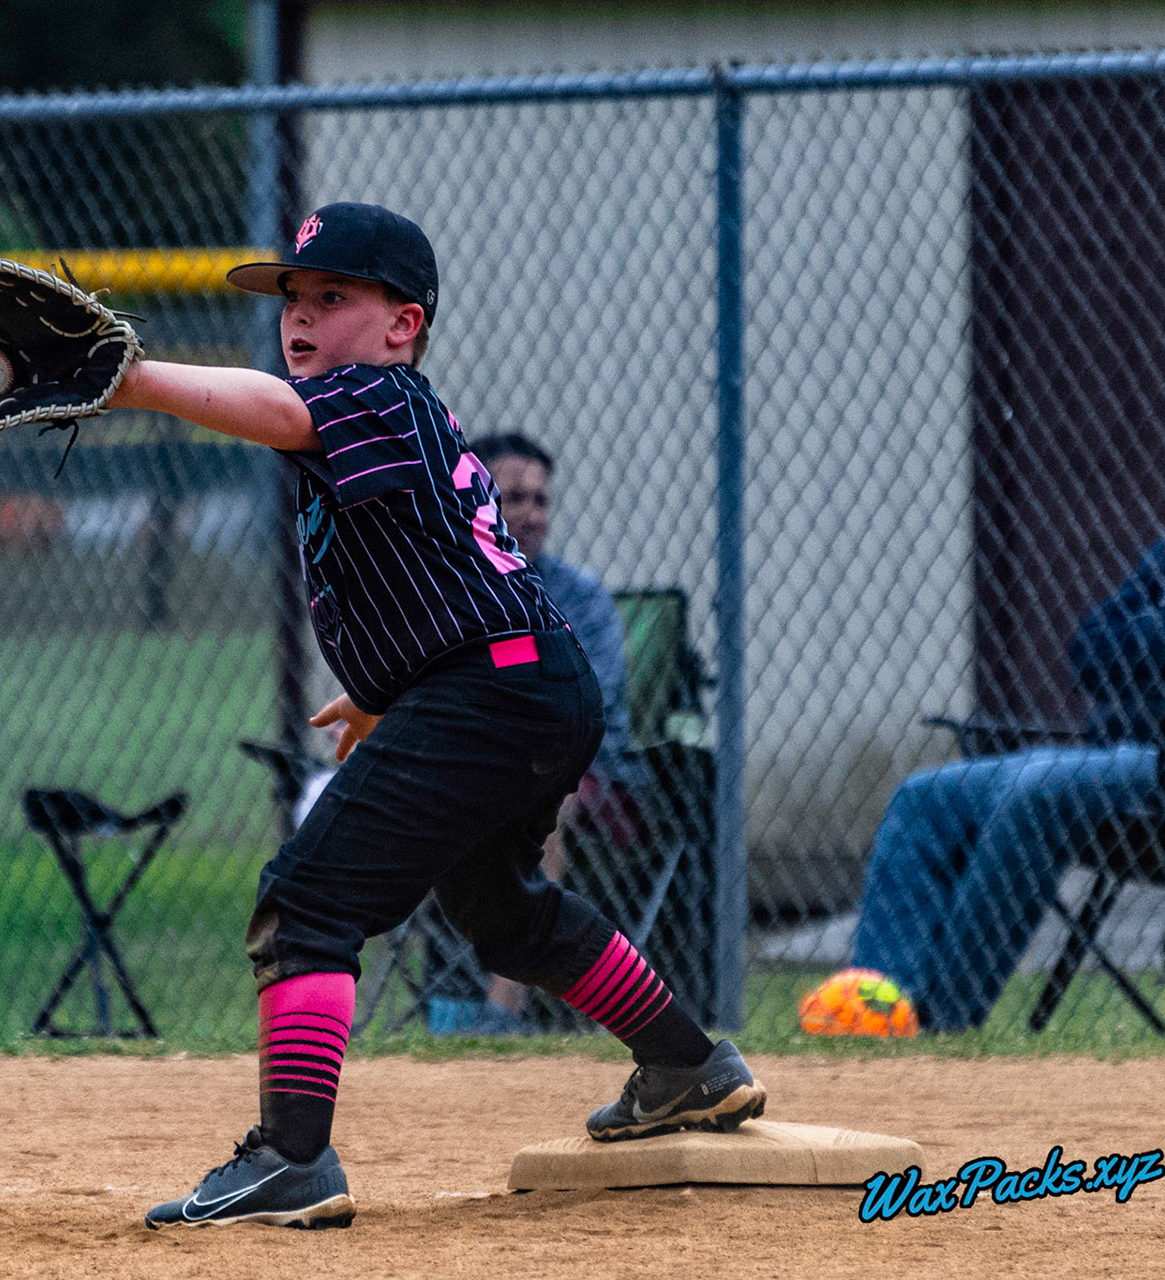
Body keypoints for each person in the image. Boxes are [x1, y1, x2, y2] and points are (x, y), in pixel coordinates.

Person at [109, 201, 765, 1231]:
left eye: (332, 295)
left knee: (307, 898)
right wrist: (383, 692)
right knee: (504, 911)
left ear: (402, 323)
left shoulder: (372, 393)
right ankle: (689, 1065)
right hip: (526, 686)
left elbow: (278, 411)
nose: (299, 315)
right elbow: (440, 559)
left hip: (492, 691)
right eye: (293, 296)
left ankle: (292, 1157)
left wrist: (134, 379)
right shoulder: (388, 414)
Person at [802, 384, 1165, 1035]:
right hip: (1117, 764)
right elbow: (1090, 649)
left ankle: (940, 1022)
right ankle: (876, 1004)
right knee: (925, 799)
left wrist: (1154, 644)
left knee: (1037, 790)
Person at [429, 432, 645, 1033]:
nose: (530, 514)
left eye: (541, 500)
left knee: (541, 791)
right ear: (475, 501)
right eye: (514, 498)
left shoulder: (580, 598)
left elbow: (581, 705)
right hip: (477, 764)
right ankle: (418, 1003)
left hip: (583, 770)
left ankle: (503, 1010)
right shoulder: (451, 588)